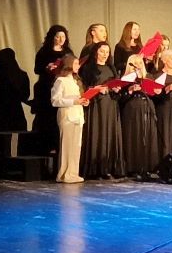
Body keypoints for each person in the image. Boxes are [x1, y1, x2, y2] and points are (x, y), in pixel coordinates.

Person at [78, 41, 122, 180]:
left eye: (107, 52)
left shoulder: (111, 68)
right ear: (96, 52)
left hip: (110, 105)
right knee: (97, 134)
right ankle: (94, 169)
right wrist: (97, 89)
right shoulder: (88, 68)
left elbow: (116, 86)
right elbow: (84, 88)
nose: (105, 54)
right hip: (96, 106)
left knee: (109, 134)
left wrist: (116, 89)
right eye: (102, 51)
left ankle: (107, 168)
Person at [117, 53, 159, 178]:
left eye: (140, 63)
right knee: (134, 137)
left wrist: (155, 91)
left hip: (147, 107)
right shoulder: (126, 79)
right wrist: (130, 91)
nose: (138, 66)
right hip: (132, 110)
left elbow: (154, 94)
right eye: (135, 64)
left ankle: (148, 166)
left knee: (148, 136)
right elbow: (120, 99)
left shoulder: (148, 76)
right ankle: (133, 167)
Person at [29, 25, 71, 150]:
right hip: (47, 87)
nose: (61, 39)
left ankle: (59, 146)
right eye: (58, 36)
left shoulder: (68, 52)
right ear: (52, 37)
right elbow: (37, 69)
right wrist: (47, 67)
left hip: (63, 87)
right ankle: (45, 146)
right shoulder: (44, 52)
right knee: (47, 117)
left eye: (63, 36)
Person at [49, 54, 85, 184]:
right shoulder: (61, 81)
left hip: (77, 115)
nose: (78, 66)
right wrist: (73, 101)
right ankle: (64, 174)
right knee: (67, 146)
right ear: (69, 64)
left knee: (76, 146)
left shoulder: (75, 81)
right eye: (75, 63)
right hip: (67, 116)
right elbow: (55, 100)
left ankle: (73, 173)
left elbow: (77, 99)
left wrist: (82, 101)